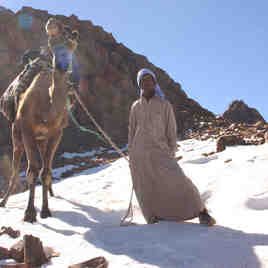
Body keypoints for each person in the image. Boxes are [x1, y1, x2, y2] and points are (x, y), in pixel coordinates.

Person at [128, 68, 216, 226]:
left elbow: (171, 130)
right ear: (139, 84)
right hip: (139, 153)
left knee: (178, 180)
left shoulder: (164, 105)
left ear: (155, 83)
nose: (146, 83)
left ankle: (201, 212)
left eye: (149, 80)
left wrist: (171, 150)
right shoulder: (135, 107)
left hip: (161, 150)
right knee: (145, 185)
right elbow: (132, 131)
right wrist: (131, 153)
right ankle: (153, 217)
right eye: (143, 80)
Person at [0, 17, 80, 122]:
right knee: (26, 77)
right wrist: (32, 54)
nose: (50, 34)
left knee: (66, 89)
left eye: (52, 28)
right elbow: (46, 52)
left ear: (58, 28)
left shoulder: (66, 40)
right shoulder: (53, 40)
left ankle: (62, 113)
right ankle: (16, 107)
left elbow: (67, 58)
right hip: (45, 64)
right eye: (49, 31)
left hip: (57, 68)